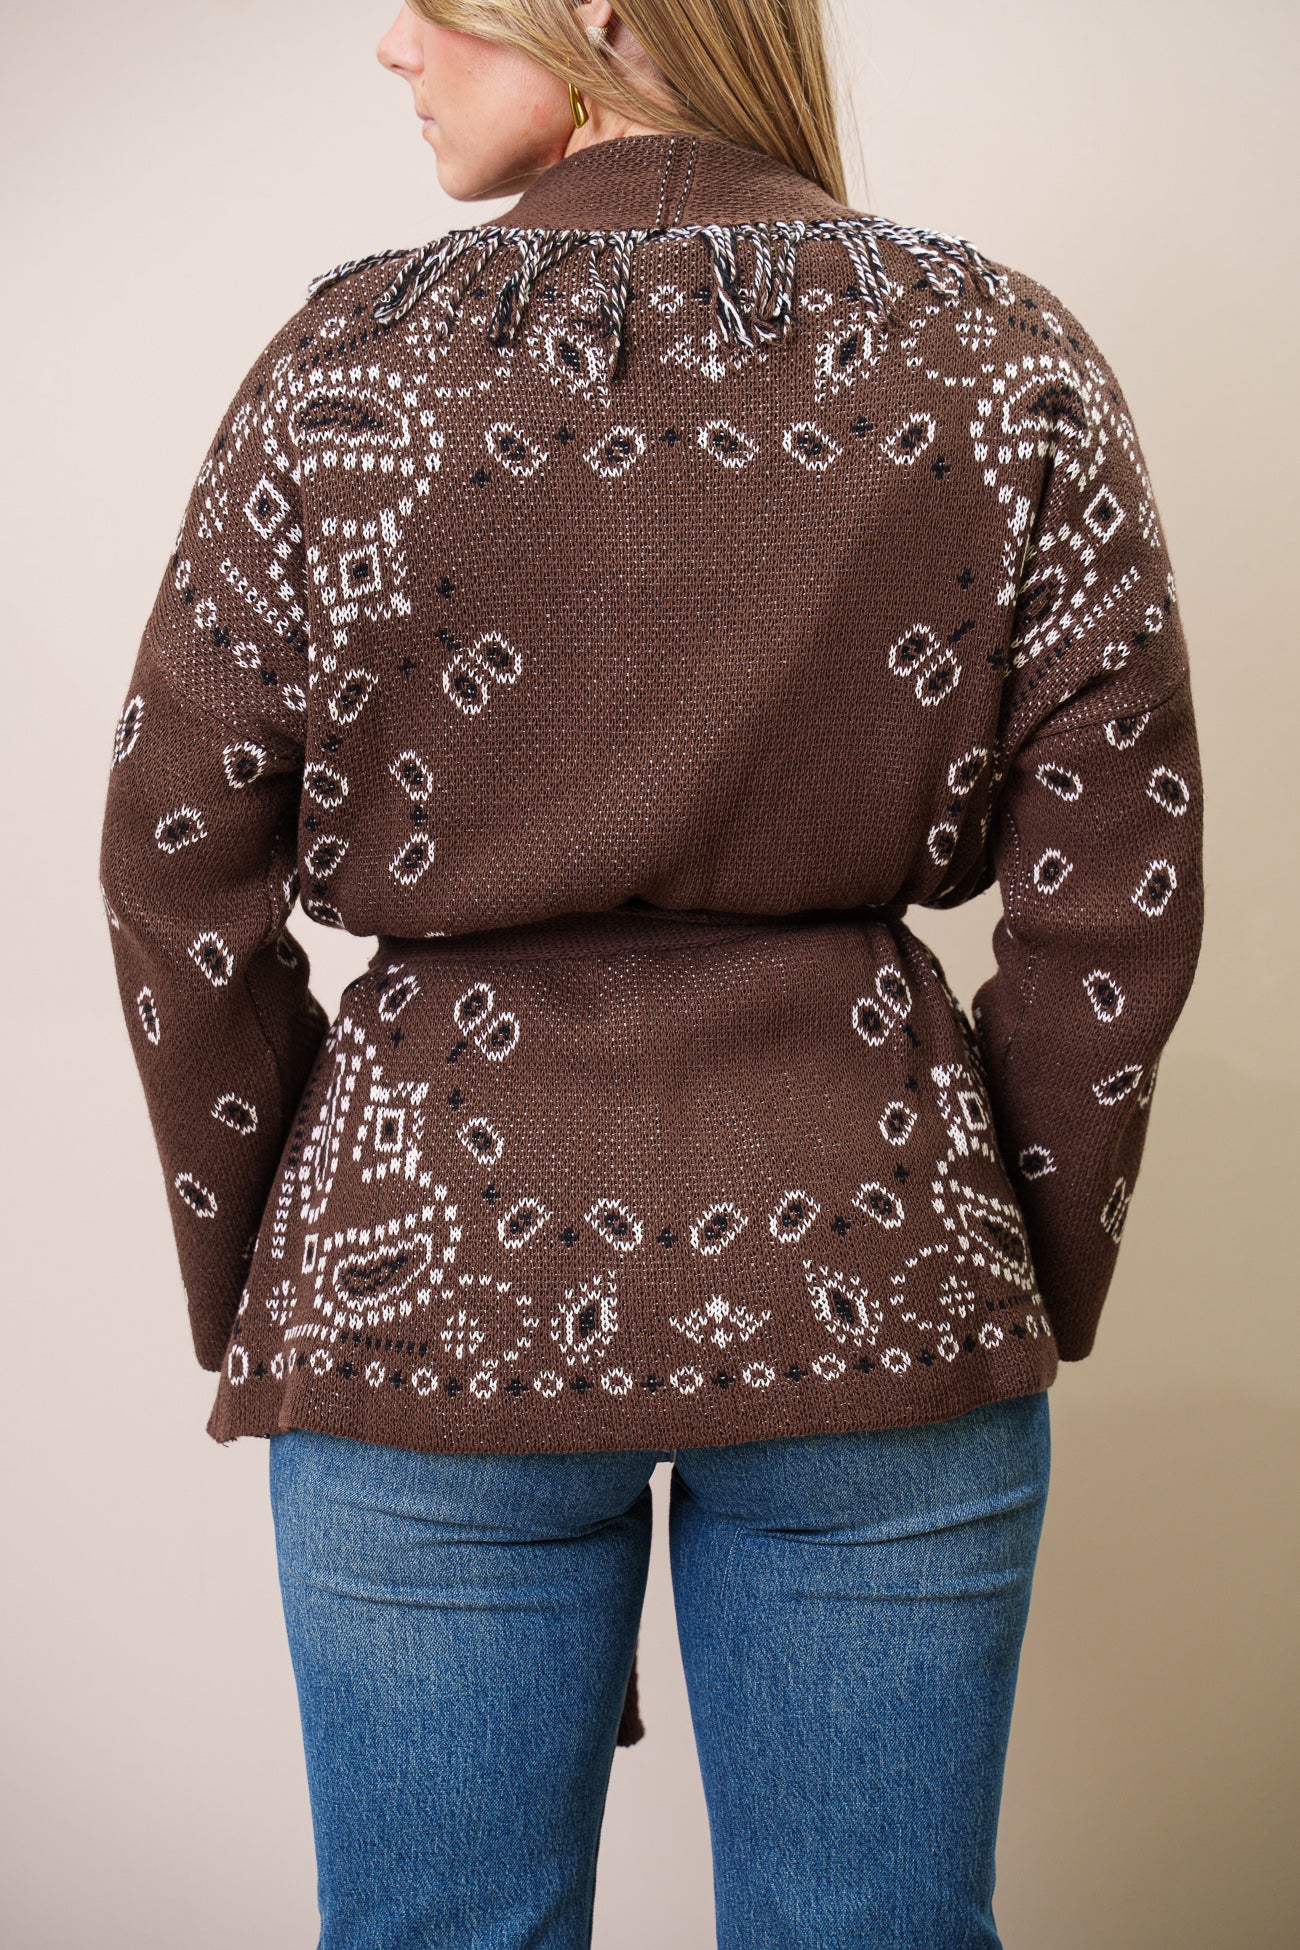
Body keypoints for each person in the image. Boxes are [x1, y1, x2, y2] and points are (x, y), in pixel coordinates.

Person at [97, 2, 1205, 1944]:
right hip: (880, 1257)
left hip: (420, 1286)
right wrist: (1004, 1264)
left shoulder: (345, 361)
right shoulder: (1004, 356)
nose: (391, 43)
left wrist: (269, 1255)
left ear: (602, 9)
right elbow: (1117, 897)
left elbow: (171, 862)